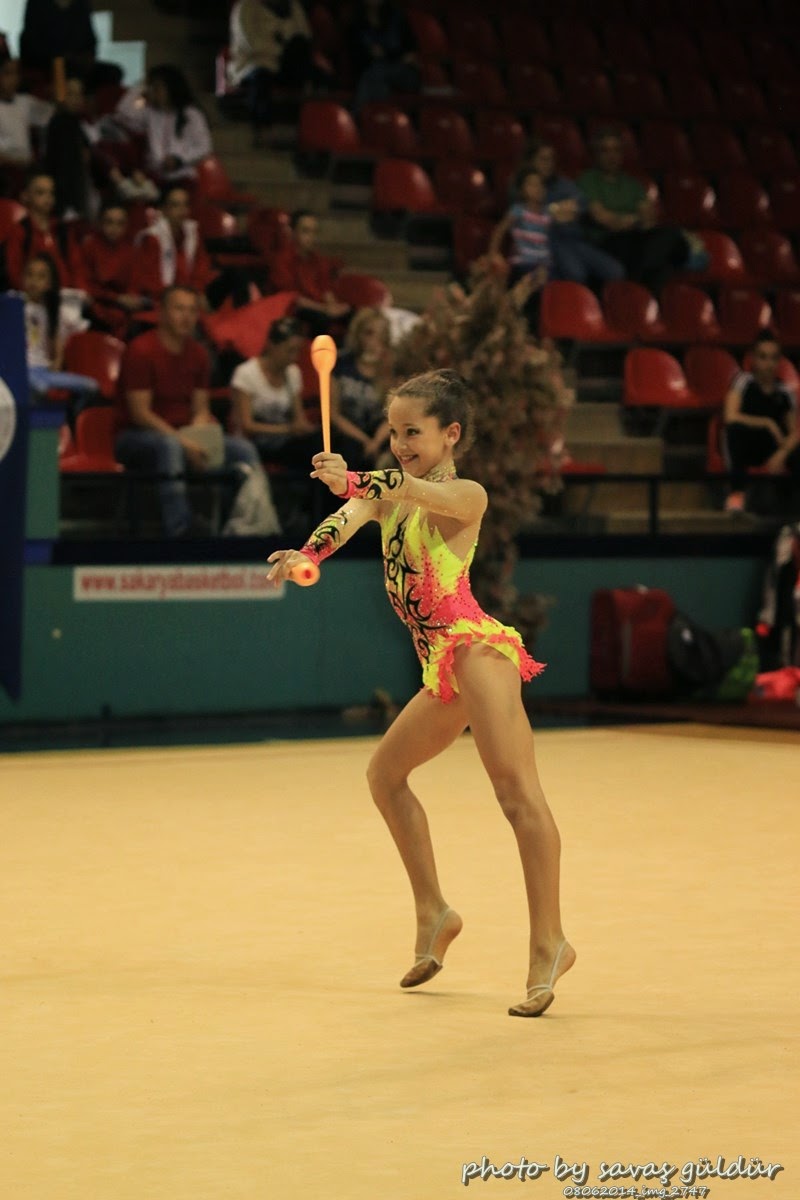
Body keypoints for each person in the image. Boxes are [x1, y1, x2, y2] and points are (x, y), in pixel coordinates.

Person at [266, 368, 575, 1017]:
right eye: (394, 432)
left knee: (517, 795)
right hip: (442, 666)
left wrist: (354, 478)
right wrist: (306, 556)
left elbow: (395, 486)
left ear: (450, 433)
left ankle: (550, 942)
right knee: (385, 776)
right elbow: (346, 519)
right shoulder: (389, 494)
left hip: (477, 652)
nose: (401, 444)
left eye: (413, 432)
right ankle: (434, 911)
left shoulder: (465, 495)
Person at [115, 285, 264, 538]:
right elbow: (141, 414)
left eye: (192, 311)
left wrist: (198, 435)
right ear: (162, 313)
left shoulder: (199, 354)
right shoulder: (141, 350)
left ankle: (244, 525)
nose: (186, 317)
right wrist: (184, 442)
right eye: (179, 309)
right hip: (136, 436)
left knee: (242, 449)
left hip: (183, 434)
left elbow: (201, 408)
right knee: (169, 446)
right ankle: (180, 529)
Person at [578, 129, 688, 295]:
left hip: (636, 240)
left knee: (671, 235)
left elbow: (650, 220)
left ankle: (637, 290)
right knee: (660, 264)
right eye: (605, 151)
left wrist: (627, 221)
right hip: (606, 242)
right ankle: (641, 292)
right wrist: (635, 220)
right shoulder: (587, 180)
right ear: (596, 154)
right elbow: (604, 219)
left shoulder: (633, 184)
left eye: (616, 150)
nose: (611, 156)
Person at [526, 141, 624, 288]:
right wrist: (553, 211)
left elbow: (581, 203)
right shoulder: (524, 185)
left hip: (575, 239)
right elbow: (527, 213)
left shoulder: (563, 183)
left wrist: (564, 210)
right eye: (543, 159)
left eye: (551, 159)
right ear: (531, 161)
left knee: (616, 271)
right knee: (576, 274)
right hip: (550, 242)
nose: (549, 164)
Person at [723, 330, 800, 514]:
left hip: (772, 449)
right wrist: (767, 423)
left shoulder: (785, 392)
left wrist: (782, 453)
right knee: (734, 430)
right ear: (753, 359)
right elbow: (730, 417)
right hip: (747, 445)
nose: (768, 364)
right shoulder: (743, 382)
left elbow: (794, 433)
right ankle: (737, 494)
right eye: (763, 357)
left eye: (773, 358)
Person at [231, 315, 319, 467]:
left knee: (322, 444)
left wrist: (311, 429)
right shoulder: (246, 373)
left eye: (297, 351)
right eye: (289, 351)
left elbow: (299, 419)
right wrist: (288, 429)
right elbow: (247, 425)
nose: (294, 357)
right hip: (254, 443)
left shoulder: (293, 372)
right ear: (272, 346)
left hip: (285, 443)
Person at [16, 251, 97, 409]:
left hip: (43, 370)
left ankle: (70, 418)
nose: (34, 281)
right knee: (40, 388)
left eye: (41, 277)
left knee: (91, 386)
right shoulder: (15, 305)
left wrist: (56, 364)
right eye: (29, 275)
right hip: (22, 371)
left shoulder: (53, 312)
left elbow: (58, 348)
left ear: (49, 283)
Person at [227, 0, 313, 145]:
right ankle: (262, 127)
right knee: (261, 77)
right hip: (253, 62)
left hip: (285, 62)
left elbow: (304, 35)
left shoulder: (293, 6)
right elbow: (250, 42)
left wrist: (287, 48)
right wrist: (279, 47)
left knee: (307, 63)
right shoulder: (245, 7)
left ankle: (308, 126)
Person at [115, 64, 212, 185]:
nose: (153, 91)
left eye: (157, 87)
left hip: (181, 176)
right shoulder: (150, 112)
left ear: (171, 88)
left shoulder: (191, 114)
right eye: (151, 87)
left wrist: (179, 159)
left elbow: (204, 146)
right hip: (154, 176)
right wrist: (140, 87)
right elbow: (122, 114)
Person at [270, 210, 350, 338]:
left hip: (318, 307)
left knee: (352, 314)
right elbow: (292, 298)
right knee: (320, 319)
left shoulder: (318, 260)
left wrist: (334, 306)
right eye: (306, 231)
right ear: (293, 232)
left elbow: (326, 290)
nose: (311, 237)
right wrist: (325, 309)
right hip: (294, 309)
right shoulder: (282, 260)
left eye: (314, 232)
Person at [131, 184, 216, 306]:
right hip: (160, 299)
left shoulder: (193, 233)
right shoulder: (152, 238)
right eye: (175, 205)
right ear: (164, 209)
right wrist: (180, 298)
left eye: (185, 205)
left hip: (188, 296)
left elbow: (200, 269)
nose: (182, 210)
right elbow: (150, 281)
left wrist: (196, 293)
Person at [2, 169, 86, 290]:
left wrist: (79, 290)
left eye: (51, 193)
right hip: (31, 296)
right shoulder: (20, 231)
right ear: (25, 196)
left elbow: (77, 267)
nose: (48, 197)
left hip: (66, 296)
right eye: (40, 192)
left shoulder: (63, 230)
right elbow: (14, 272)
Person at [331, 306, 393, 466]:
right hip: (346, 435)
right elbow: (333, 414)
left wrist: (376, 442)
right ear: (358, 334)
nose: (374, 342)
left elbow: (392, 417)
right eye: (369, 333)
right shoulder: (340, 364)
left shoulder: (389, 370)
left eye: (381, 336)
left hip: (379, 437)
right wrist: (364, 440)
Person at [20, 0, 122, 91]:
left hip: (78, 62)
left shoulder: (81, 4)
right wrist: (61, 56)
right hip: (47, 62)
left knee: (113, 72)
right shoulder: (37, 3)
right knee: (66, 70)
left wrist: (87, 57)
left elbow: (91, 40)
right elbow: (30, 42)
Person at [81, 202, 149, 335]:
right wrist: (116, 298)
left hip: (124, 307)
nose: (114, 228)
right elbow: (86, 283)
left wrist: (131, 298)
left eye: (120, 223)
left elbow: (135, 282)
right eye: (109, 222)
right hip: (97, 305)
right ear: (100, 223)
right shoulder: (90, 246)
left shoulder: (131, 249)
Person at [348, 0, 420, 112]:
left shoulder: (398, 18)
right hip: (372, 71)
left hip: (402, 72)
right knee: (378, 83)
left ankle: (357, 115)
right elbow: (356, 56)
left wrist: (385, 54)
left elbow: (410, 54)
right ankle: (380, 119)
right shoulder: (356, 22)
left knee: (375, 74)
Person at [0, 56, 52, 194]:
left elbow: (51, 113)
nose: (13, 79)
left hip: (27, 170)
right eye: (7, 73)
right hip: (4, 173)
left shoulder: (24, 102)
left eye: (16, 73)